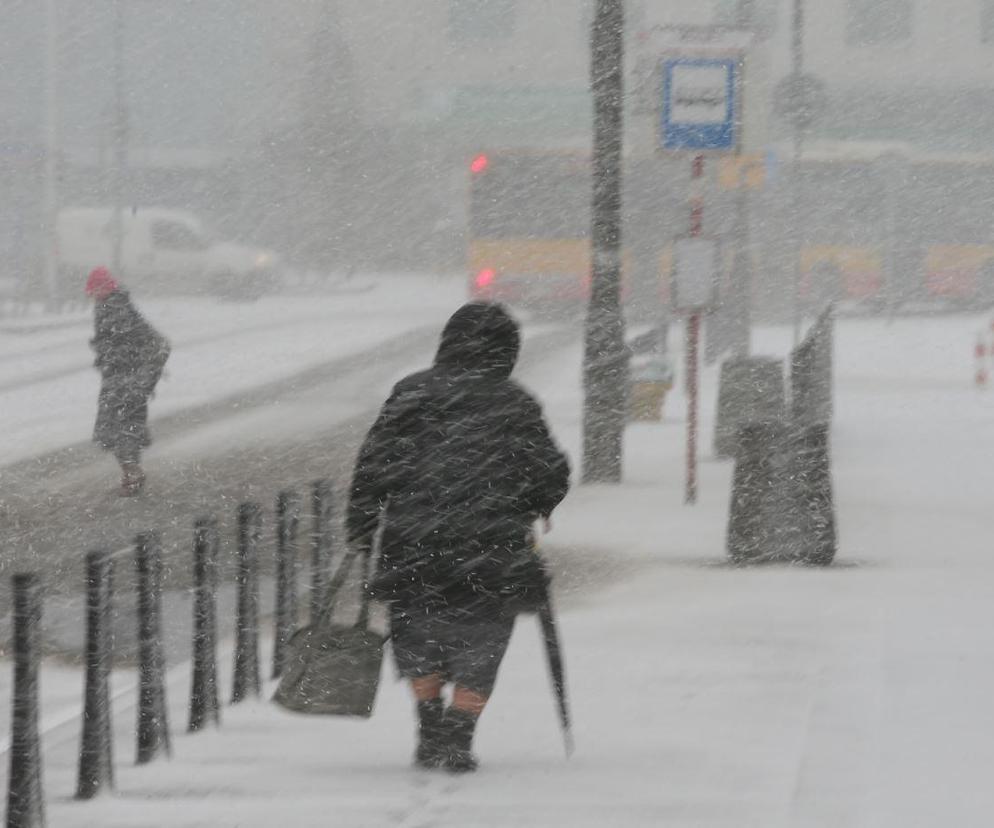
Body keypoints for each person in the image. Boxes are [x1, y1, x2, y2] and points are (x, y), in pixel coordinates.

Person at [347, 302, 570, 773]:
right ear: (506, 351)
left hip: (414, 541)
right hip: (492, 545)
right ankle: (459, 733)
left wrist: (362, 524)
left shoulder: (410, 393)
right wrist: (537, 502)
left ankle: (429, 723)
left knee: (417, 633)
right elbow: (550, 470)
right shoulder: (515, 402)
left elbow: (373, 465)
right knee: (483, 639)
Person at [86, 267, 170, 496]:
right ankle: (131, 472)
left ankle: (132, 474)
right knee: (120, 429)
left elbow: (145, 344)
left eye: (95, 290)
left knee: (123, 429)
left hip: (126, 381)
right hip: (120, 380)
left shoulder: (117, 309)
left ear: (105, 288)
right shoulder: (108, 307)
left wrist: (140, 378)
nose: (92, 295)